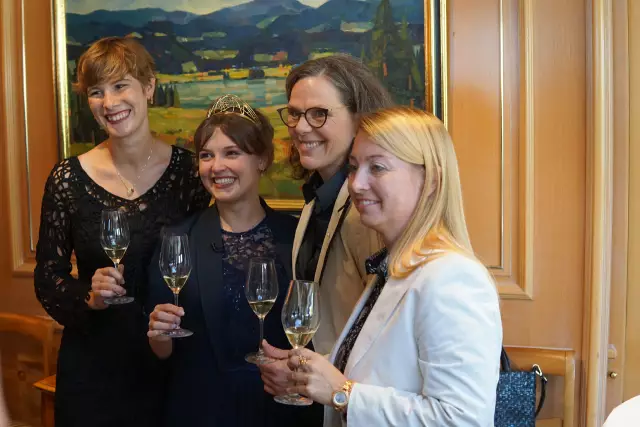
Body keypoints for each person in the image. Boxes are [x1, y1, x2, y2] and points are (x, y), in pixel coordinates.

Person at [282, 107, 503, 426]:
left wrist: (343, 393)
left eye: (378, 168)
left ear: (431, 180)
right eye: (354, 167)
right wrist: (314, 372)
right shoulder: (392, 269)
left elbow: (462, 420)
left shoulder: (453, 278)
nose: (356, 185)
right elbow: (383, 371)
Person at [33, 36, 210, 427]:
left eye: (120, 85)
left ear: (148, 87)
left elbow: (208, 264)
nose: (110, 103)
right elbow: (47, 278)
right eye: (96, 92)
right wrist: (89, 297)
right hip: (94, 370)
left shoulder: (191, 174)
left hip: (171, 365)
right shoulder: (67, 179)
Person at [146, 95, 321, 426]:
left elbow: (319, 333)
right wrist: (158, 336)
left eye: (232, 153)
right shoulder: (178, 239)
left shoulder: (298, 237)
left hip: (281, 412)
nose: (216, 167)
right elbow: (162, 351)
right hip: (202, 411)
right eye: (207, 155)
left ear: (262, 159)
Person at [260, 54, 394, 397]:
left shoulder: (369, 213)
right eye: (294, 113)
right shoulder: (314, 203)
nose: (301, 127)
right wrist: (297, 366)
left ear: (360, 119)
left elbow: (383, 338)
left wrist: (308, 381)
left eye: (319, 113)